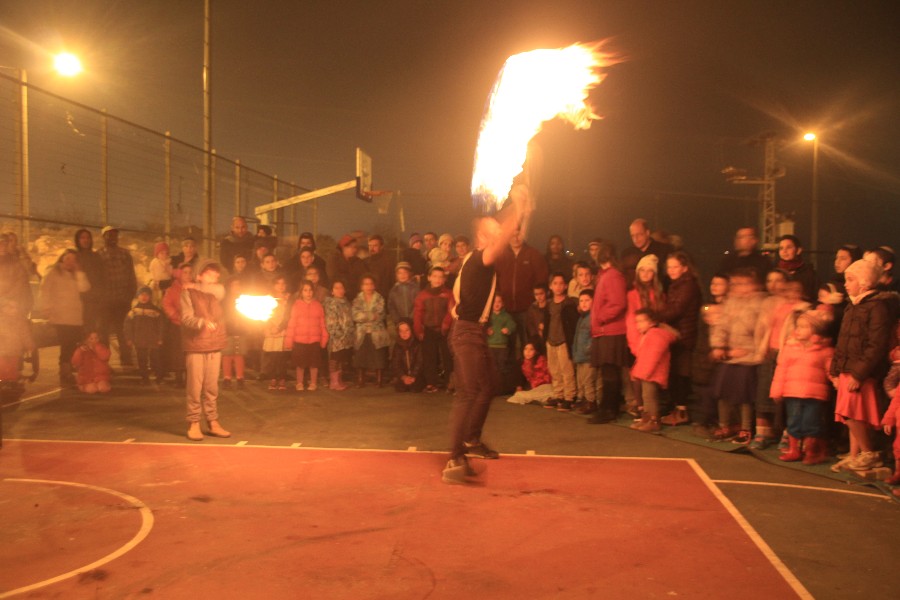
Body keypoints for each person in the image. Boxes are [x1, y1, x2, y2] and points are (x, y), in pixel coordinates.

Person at [443, 183, 528, 484]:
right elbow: (503, 237)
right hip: (466, 334)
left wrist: (517, 207)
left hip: (477, 332)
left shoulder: (484, 259)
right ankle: (454, 458)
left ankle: (470, 440)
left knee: (489, 385)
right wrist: (517, 210)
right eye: (493, 231)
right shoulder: (479, 259)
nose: (499, 234)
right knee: (467, 394)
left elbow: (504, 236)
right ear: (483, 237)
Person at [829, 260, 896, 471]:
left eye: (851, 280)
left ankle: (869, 453)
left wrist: (859, 374)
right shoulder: (854, 306)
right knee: (850, 414)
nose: (846, 284)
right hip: (849, 370)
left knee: (853, 415)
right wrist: (836, 369)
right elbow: (843, 341)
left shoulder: (877, 307)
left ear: (865, 283)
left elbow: (875, 345)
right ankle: (854, 454)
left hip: (861, 373)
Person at [709, 269, 766, 444]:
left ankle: (746, 429)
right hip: (732, 355)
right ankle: (725, 425)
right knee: (723, 391)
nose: (737, 288)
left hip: (750, 357)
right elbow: (722, 325)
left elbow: (760, 331)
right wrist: (719, 345)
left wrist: (749, 350)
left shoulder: (760, 303)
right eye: (735, 284)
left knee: (744, 395)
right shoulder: (731, 302)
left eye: (742, 283)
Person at [770, 310, 835, 465]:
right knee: (794, 421)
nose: (798, 330)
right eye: (797, 326)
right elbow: (781, 370)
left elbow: (830, 370)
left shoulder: (826, 350)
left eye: (804, 327)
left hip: (815, 394)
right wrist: (776, 390)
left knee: (811, 422)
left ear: (816, 329)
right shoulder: (790, 347)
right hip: (792, 392)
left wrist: (836, 380)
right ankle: (794, 450)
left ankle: (812, 451)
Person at [180, 259, 231, 441]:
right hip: (196, 345)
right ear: (200, 275)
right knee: (195, 387)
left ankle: (212, 421)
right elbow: (186, 318)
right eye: (210, 272)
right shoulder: (188, 293)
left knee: (211, 387)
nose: (215, 275)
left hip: (214, 344)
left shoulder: (217, 296)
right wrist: (201, 322)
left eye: (216, 273)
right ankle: (193, 422)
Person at [657, 252, 702, 426]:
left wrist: (654, 316)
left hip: (684, 335)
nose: (671, 270)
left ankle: (682, 411)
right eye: (669, 267)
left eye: (675, 266)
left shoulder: (688, 285)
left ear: (684, 267)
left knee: (682, 374)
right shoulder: (678, 284)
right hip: (677, 332)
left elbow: (677, 309)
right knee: (676, 373)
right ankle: (677, 409)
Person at [35, 249, 90, 385]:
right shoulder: (53, 272)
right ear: (62, 259)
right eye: (68, 258)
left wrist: (79, 272)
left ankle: (67, 367)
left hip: (75, 316)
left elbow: (84, 288)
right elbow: (44, 290)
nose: (70, 262)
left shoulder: (75, 275)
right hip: (60, 315)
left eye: (73, 259)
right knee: (66, 344)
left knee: (72, 343)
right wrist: (46, 307)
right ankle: (65, 371)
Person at [588, 240, 628, 424]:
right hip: (606, 331)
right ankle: (609, 407)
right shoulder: (607, 275)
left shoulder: (612, 276)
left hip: (609, 331)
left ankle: (609, 409)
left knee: (609, 372)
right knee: (608, 372)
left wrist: (600, 318)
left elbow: (618, 303)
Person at [495, 228, 549, 355]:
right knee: (507, 344)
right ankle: (509, 372)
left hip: (527, 309)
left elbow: (542, 280)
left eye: (518, 234)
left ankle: (528, 372)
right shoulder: (501, 255)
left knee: (528, 343)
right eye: (512, 235)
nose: (515, 238)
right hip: (505, 309)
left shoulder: (533, 254)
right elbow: (495, 279)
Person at [625, 255, 665, 418]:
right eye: (643, 270)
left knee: (652, 376)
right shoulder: (633, 294)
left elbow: (662, 317)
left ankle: (652, 413)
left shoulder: (659, 294)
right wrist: (636, 345)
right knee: (637, 374)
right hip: (639, 342)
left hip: (655, 341)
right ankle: (641, 407)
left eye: (650, 270)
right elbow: (630, 320)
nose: (646, 273)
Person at [629, 309, 678, 432]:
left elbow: (653, 356)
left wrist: (642, 372)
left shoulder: (656, 335)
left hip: (651, 373)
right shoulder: (648, 335)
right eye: (637, 322)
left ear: (651, 322)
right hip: (647, 372)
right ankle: (647, 418)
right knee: (646, 396)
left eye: (641, 321)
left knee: (650, 396)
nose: (638, 325)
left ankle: (654, 420)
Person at [98, 226, 138, 366]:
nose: (112, 237)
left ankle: (126, 360)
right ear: (104, 237)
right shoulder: (99, 254)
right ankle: (104, 361)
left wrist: (131, 294)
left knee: (124, 331)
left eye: (114, 235)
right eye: (109, 235)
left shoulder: (125, 254)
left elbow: (131, 275)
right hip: (106, 302)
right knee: (104, 334)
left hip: (122, 300)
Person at [413, 266, 454, 392]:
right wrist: (418, 330)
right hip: (429, 330)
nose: (437, 279)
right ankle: (431, 382)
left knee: (447, 357)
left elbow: (451, 310)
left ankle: (450, 382)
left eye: (440, 277)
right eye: (435, 276)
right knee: (429, 357)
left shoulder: (448, 293)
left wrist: (446, 324)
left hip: (444, 330)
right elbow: (418, 313)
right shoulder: (422, 295)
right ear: (429, 277)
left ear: (444, 279)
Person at [284, 280, 329, 392]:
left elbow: (322, 323)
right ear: (301, 292)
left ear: (313, 292)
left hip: (314, 340)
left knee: (314, 364)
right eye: (305, 290)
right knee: (300, 364)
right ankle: (299, 383)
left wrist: (324, 338)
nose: (308, 293)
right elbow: (292, 323)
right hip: (299, 340)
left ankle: (313, 383)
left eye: (310, 290)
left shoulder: (318, 305)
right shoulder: (296, 306)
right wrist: (289, 340)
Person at [543, 272, 579, 411]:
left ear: (565, 286)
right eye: (555, 284)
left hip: (564, 340)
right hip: (550, 340)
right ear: (550, 286)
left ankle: (569, 396)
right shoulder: (549, 304)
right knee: (554, 370)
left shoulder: (569, 304)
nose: (558, 287)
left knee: (566, 370)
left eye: (561, 284)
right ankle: (559, 394)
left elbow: (573, 324)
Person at [352, 274, 390, 387]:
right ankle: (361, 379)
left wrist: (364, 316)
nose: (368, 286)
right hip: (361, 332)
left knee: (378, 356)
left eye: (370, 284)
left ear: (374, 286)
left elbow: (380, 315)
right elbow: (355, 315)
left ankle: (379, 380)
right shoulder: (357, 299)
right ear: (361, 286)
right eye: (365, 284)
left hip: (377, 331)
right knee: (361, 356)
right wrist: (370, 316)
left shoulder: (380, 298)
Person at [123, 286, 165, 386]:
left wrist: (160, 338)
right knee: (142, 359)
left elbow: (161, 325)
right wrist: (128, 338)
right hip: (139, 340)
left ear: (150, 297)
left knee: (155, 359)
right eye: (142, 295)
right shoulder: (133, 311)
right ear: (138, 297)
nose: (144, 297)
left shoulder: (156, 311)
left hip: (153, 340)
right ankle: (144, 377)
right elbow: (127, 326)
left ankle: (159, 377)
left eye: (146, 295)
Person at [162, 263, 193, 388]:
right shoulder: (172, 289)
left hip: (192, 326)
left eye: (190, 272)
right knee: (178, 353)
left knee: (191, 353)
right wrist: (177, 316)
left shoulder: (196, 288)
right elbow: (167, 305)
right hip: (177, 326)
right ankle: (179, 378)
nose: (188, 275)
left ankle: (190, 379)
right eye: (185, 272)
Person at [620, 218, 674, 285]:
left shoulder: (664, 250)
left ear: (647, 233)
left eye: (639, 234)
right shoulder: (627, 254)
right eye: (633, 236)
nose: (635, 239)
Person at [323, 279, 354, 391]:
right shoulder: (331, 304)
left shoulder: (346, 303)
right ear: (332, 291)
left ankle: (339, 380)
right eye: (336, 288)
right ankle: (334, 381)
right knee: (334, 359)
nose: (339, 290)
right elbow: (331, 322)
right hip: (336, 338)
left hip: (346, 338)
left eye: (341, 287)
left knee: (341, 359)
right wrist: (338, 334)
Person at [73, 229, 106, 333]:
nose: (85, 240)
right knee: (78, 332)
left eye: (88, 237)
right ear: (77, 240)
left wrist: (99, 297)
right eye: (82, 237)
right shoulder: (74, 256)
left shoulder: (96, 257)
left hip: (93, 301)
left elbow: (102, 278)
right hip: (77, 301)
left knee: (92, 332)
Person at [262, 275, 291, 391]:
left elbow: (288, 315)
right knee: (273, 357)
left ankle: (282, 378)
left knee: (282, 357)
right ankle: (273, 378)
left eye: (283, 284)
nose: (281, 286)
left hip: (283, 330)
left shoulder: (288, 299)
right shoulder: (269, 299)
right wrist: (271, 326)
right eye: (278, 283)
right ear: (274, 285)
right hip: (271, 329)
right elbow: (265, 314)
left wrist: (279, 327)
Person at [572, 289, 598, 414]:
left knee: (589, 381)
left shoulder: (593, 317)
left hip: (588, 357)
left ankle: (591, 402)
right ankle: (584, 400)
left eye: (587, 300)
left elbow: (593, 336)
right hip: (580, 356)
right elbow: (577, 337)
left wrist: (589, 349)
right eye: (581, 300)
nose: (584, 303)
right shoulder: (582, 318)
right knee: (581, 380)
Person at [486, 294, 516, 394]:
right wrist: (486, 330)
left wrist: (508, 329)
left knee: (501, 367)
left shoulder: (506, 316)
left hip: (502, 346)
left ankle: (501, 388)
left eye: (499, 301)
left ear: (502, 303)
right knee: (491, 367)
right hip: (490, 345)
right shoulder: (488, 316)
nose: (497, 304)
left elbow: (512, 325)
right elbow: (482, 326)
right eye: (494, 302)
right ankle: (492, 388)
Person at [221, 277, 248, 389]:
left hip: (241, 331)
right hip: (228, 331)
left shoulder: (244, 300)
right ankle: (227, 378)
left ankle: (240, 377)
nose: (236, 287)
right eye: (234, 285)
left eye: (238, 285)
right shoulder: (225, 301)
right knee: (227, 354)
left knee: (239, 354)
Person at [775, 235, 818, 302]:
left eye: (789, 247)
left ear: (798, 250)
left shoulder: (809, 273)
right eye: (781, 248)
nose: (784, 251)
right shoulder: (775, 271)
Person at [329, 234, 367, 299]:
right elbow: (333, 277)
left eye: (355, 247)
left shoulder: (359, 262)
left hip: (355, 297)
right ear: (344, 247)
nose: (354, 250)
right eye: (351, 247)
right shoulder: (334, 261)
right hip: (339, 296)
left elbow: (363, 278)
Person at [391, 318, 424, 392]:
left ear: (411, 330)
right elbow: (395, 363)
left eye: (407, 330)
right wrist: (403, 377)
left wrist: (413, 376)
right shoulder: (397, 346)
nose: (404, 333)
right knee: (400, 387)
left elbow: (420, 362)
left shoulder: (417, 344)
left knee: (415, 388)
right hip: (403, 375)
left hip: (416, 375)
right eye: (401, 331)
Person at [365, 234, 395, 300]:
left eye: (375, 245)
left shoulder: (388, 262)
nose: (372, 248)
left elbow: (392, 282)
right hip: (368, 298)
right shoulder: (365, 262)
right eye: (370, 245)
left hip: (383, 298)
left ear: (381, 246)